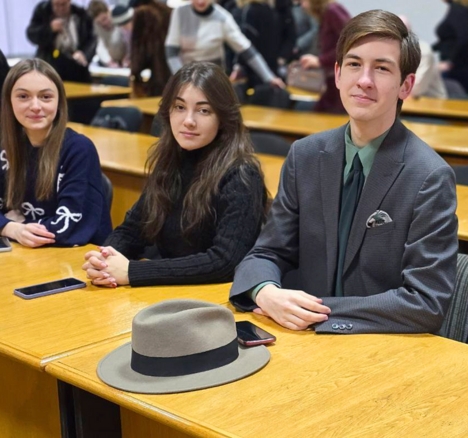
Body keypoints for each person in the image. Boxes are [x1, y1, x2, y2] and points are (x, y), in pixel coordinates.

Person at [230, 10, 458, 334]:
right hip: (300, 340)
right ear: (337, 74)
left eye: (381, 68)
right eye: (354, 64)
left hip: (378, 346)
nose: (364, 80)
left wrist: (315, 310)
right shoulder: (304, 156)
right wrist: (265, 292)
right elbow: (266, 252)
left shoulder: (429, 177)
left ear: (406, 86)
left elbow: (426, 302)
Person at [82, 62, 268, 288]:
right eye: (179, 107)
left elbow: (225, 262)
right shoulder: (171, 161)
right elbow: (133, 228)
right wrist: (106, 259)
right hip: (171, 289)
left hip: (213, 297)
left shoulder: (241, 175)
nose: (188, 120)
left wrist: (132, 272)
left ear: (223, 118)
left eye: (204, 110)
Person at [0, 59, 112, 247]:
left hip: (76, 258)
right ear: (8, 101)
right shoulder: (4, 146)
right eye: (23, 96)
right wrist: (10, 228)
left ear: (59, 102)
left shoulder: (79, 149)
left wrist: (17, 224)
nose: (35, 106)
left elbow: (69, 228)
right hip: (24, 254)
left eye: (45, 97)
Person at [165, 0, 284, 88]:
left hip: (211, 79)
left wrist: (269, 77)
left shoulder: (223, 17)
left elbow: (247, 50)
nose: (200, 1)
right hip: (185, 76)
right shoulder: (179, 13)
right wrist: (182, 79)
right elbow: (171, 52)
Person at [298, 0, 351, 114]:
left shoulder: (332, 11)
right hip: (333, 81)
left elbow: (350, 44)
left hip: (340, 81)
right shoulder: (328, 13)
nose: (302, 5)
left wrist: (320, 60)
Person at [26, 0, 96, 83]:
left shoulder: (81, 14)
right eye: (56, 5)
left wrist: (84, 54)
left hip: (76, 65)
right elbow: (31, 34)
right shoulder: (43, 10)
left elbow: (92, 40)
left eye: (63, 4)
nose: (60, 8)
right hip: (50, 62)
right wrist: (49, 29)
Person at [233, 0, 296, 87]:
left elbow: (247, 43)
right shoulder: (273, 11)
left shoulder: (251, 11)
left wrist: (239, 64)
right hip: (272, 63)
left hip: (256, 67)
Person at [433, 0, 468, 95]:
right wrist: (427, 49)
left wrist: (450, 62)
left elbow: (464, 39)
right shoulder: (465, 9)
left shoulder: (458, 10)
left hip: (460, 71)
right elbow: (449, 40)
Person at [129, 0, 172, 96]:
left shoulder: (143, 13)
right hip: (173, 71)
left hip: (158, 74)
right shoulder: (168, 11)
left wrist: (135, 71)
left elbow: (140, 48)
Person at [400, 15, 447, 99]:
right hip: (406, 100)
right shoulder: (391, 52)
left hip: (432, 102)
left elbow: (416, 89)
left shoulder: (423, 53)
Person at [86, 0, 130, 67]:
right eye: (99, 22)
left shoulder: (119, 16)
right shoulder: (95, 26)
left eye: (104, 19)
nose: (104, 24)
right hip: (111, 60)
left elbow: (128, 38)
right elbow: (100, 45)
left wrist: (128, 56)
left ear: (108, 11)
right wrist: (109, 61)